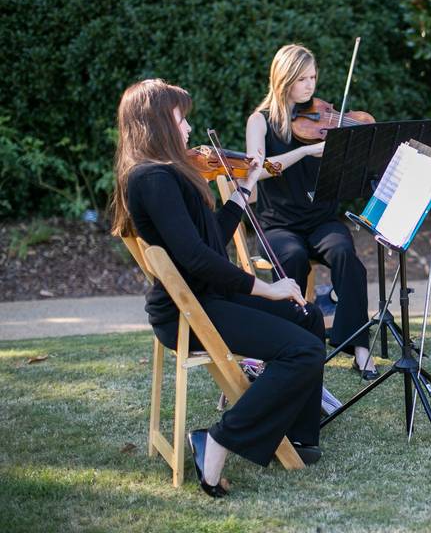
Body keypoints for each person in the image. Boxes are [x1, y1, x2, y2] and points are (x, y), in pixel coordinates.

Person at [111, 79, 327, 498]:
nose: (189, 130)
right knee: (302, 350)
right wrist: (266, 289)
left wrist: (242, 193)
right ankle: (219, 439)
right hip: (190, 310)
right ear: (156, 123)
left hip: (208, 296)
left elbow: (209, 242)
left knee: (309, 316)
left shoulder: (168, 175)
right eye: (181, 119)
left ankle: (297, 436)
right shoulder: (152, 179)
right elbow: (197, 260)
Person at [245, 44, 377, 379]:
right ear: (284, 79)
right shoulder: (259, 122)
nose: (310, 85)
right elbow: (256, 170)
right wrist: (303, 154)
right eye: (302, 79)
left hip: (320, 219)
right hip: (278, 225)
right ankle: (295, 345)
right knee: (291, 260)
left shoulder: (322, 117)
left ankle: (358, 347)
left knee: (346, 254)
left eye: (313, 77)